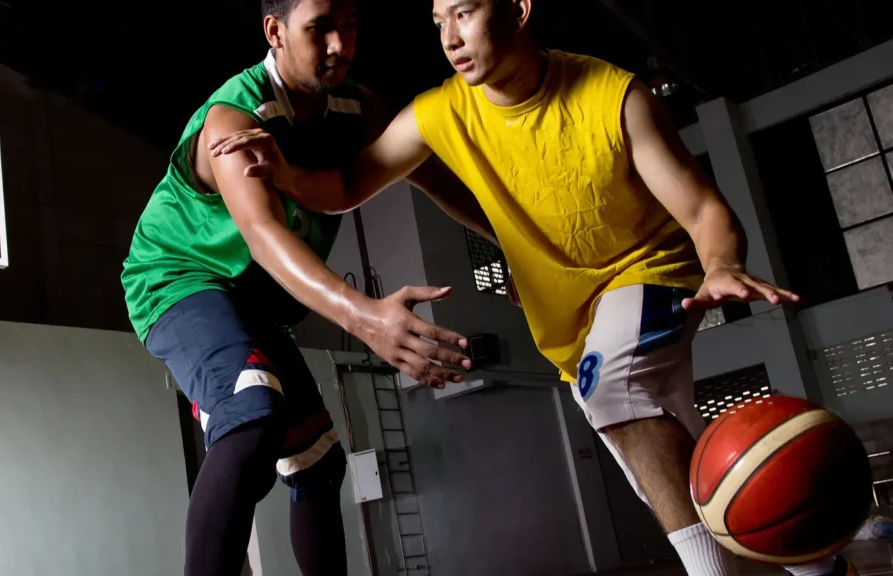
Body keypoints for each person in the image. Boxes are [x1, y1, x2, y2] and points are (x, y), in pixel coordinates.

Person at [207, 1, 857, 575]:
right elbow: (349, 186)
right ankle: (814, 560)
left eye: (464, 13)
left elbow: (702, 208)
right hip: (564, 326)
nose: (450, 37)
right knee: (678, 466)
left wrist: (719, 262)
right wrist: (283, 171)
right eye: (438, 22)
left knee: (614, 394)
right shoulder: (440, 111)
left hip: (647, 275)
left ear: (517, 9)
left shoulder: (612, 95)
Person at [120, 0, 494, 574]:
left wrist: (512, 251)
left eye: (349, 25)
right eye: (320, 28)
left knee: (318, 462)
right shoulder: (233, 117)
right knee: (251, 415)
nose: (339, 45)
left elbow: (441, 180)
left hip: (256, 305)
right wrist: (366, 318)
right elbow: (265, 235)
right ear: (275, 31)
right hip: (181, 280)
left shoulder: (358, 108)